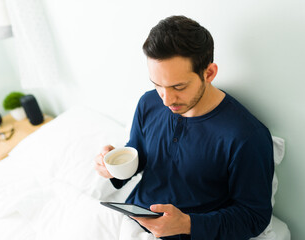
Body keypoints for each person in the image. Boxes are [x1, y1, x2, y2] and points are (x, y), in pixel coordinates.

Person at [94, 15, 274, 240]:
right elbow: (139, 153)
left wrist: (187, 224)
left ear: (209, 73)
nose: (166, 99)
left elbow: (254, 216)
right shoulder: (148, 103)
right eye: (157, 85)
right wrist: (112, 166)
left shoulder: (246, 137)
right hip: (131, 222)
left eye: (178, 86)